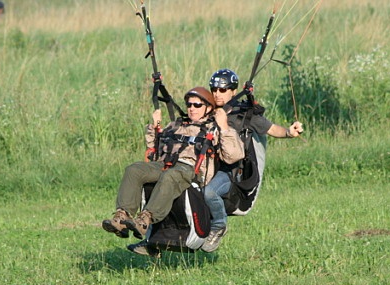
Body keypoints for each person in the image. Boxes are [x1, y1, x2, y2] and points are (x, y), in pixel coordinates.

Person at [102, 87, 245, 243]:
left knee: (170, 176)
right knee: (134, 170)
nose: (192, 108)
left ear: (209, 108)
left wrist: (224, 127)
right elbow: (154, 149)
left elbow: (234, 156)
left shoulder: (214, 128)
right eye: (189, 105)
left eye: (197, 105)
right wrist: (155, 127)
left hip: (190, 169)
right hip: (165, 163)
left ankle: (145, 219)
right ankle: (122, 217)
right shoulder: (176, 125)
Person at [200, 68, 304, 252]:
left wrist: (289, 132)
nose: (217, 94)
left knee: (209, 193)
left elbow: (272, 129)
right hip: (205, 166)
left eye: (222, 90)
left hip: (230, 171)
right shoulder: (207, 111)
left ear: (233, 91)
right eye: (214, 89)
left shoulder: (245, 115)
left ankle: (219, 226)